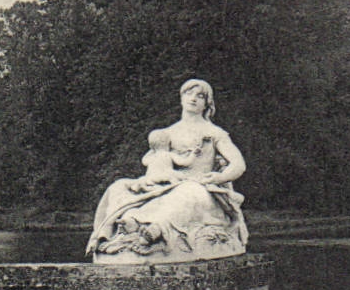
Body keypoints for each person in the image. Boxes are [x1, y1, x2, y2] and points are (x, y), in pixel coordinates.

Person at [87, 79, 249, 261]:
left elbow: (238, 164)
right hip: (166, 183)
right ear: (181, 97)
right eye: (189, 93)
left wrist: (219, 177)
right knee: (119, 186)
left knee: (185, 192)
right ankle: (109, 233)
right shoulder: (167, 133)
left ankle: (153, 231)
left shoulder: (214, 133)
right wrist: (148, 179)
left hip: (199, 187)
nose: (193, 98)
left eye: (200, 96)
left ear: (207, 104)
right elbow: (153, 163)